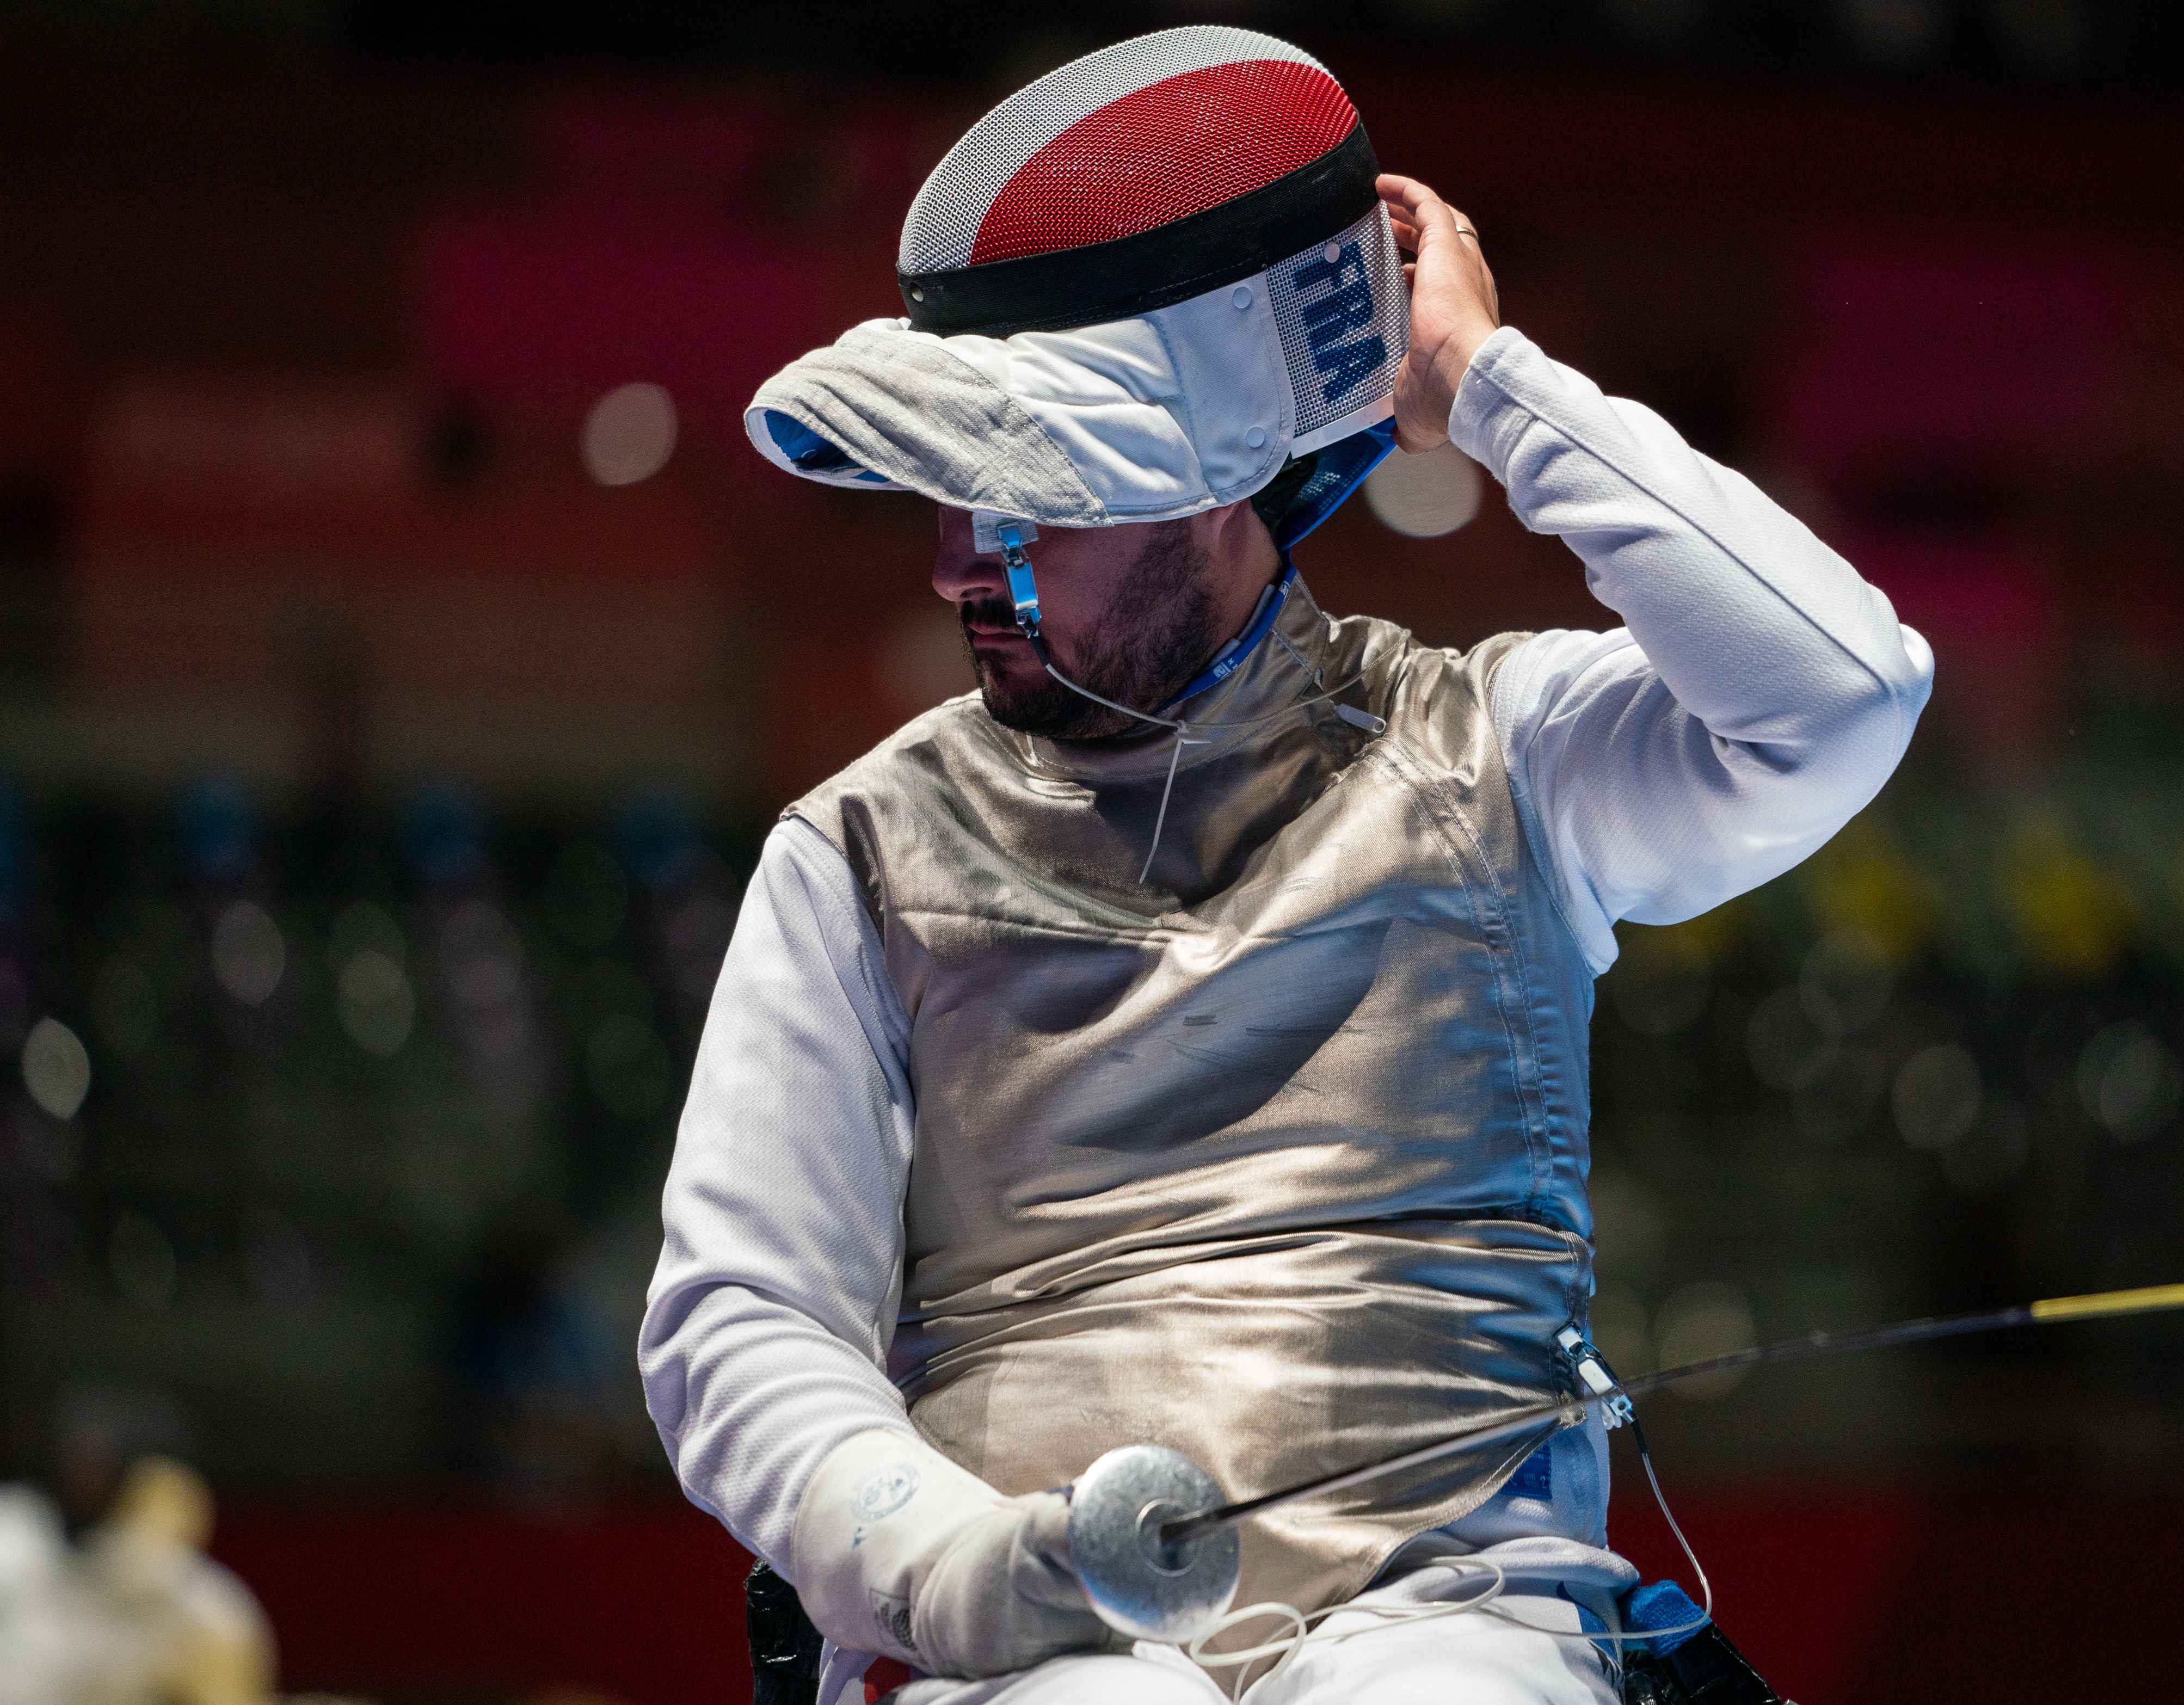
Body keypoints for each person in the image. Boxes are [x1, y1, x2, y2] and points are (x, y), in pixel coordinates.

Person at [639, 26, 1932, 1705]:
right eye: (946, 500)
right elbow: (739, 1325)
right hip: (1036, 1634)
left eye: (1033, 504)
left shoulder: (1498, 756)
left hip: (1459, 1605)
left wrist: (1485, 387)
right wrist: (970, 1570)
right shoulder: (858, 856)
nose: (964, 561)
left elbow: (1838, 695)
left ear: (1209, 488)